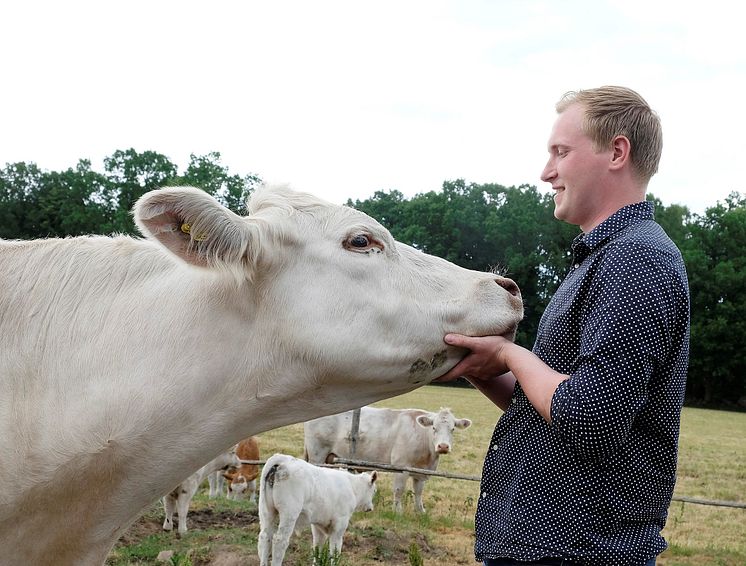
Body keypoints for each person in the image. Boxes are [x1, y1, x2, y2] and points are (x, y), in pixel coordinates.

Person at [438, 86, 690, 566]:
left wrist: (513, 354)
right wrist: (479, 365)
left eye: (561, 152)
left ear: (616, 152)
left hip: (579, 551)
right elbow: (551, 407)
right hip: (550, 547)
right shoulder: (605, 259)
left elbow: (590, 421)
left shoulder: (637, 260)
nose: (546, 171)